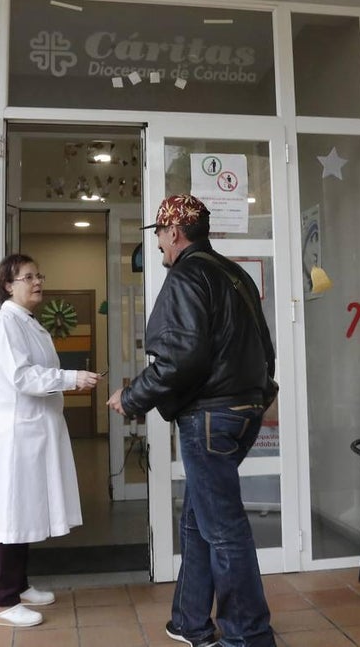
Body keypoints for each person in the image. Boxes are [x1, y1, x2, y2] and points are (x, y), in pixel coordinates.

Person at [108, 194, 277, 647]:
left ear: (175, 233)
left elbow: (179, 358)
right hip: (241, 413)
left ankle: (248, 637)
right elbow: (265, 347)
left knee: (223, 528)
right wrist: (260, 398)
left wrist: (133, 397)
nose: (159, 244)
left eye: (160, 234)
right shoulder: (233, 274)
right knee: (198, 518)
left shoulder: (188, 275)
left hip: (210, 418)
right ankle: (189, 621)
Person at [0, 253, 100, 628]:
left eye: (38, 275)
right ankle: (1, 600)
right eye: (28, 277)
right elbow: (23, 378)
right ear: (8, 285)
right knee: (11, 513)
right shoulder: (5, 325)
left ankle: (19, 585)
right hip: (16, 435)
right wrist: (71, 378)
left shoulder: (28, 323)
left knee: (24, 510)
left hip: (34, 432)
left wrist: (68, 378)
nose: (37, 281)